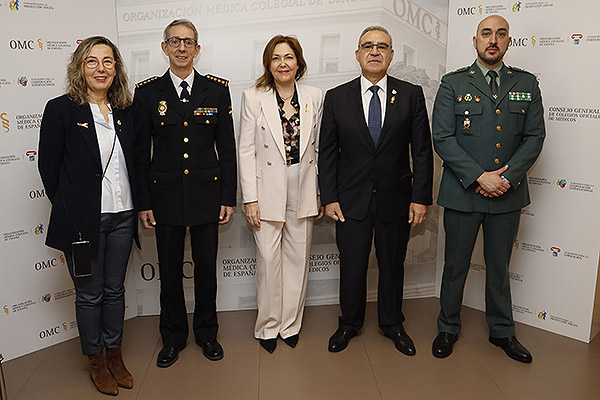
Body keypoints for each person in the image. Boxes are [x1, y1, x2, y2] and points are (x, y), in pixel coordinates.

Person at [431, 15, 545, 363]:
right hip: (463, 192)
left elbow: (534, 136)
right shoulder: (453, 84)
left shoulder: (526, 82)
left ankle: (502, 332)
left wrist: (506, 179)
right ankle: (448, 327)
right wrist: (481, 176)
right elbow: (443, 138)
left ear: (509, 41)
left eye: (500, 34)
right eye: (486, 34)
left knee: (499, 267)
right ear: (475, 41)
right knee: (455, 266)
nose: (492, 40)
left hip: (507, 195)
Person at [319, 26, 433, 355]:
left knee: (392, 265)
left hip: (395, 200)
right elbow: (327, 153)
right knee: (352, 266)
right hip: (349, 201)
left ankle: (392, 323)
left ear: (391, 55)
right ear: (356, 54)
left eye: (382, 46)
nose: (374, 51)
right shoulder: (337, 97)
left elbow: (422, 152)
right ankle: (349, 324)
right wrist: (330, 197)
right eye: (367, 46)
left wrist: (420, 198)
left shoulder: (411, 94)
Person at [133, 19, 236, 368]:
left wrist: (228, 197)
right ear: (164, 47)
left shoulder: (217, 91)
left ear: (197, 49)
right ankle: (173, 337)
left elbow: (227, 149)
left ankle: (208, 334)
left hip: (208, 197)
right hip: (164, 200)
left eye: (188, 42)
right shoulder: (147, 93)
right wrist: (144, 202)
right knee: (170, 273)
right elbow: (138, 154)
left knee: (206, 271)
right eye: (175, 41)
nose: (181, 47)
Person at [38, 36, 138, 396]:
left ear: (117, 68)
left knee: (115, 291)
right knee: (89, 295)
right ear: (80, 68)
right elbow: (49, 170)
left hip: (123, 216)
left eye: (108, 61)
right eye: (92, 61)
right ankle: (96, 361)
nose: (101, 68)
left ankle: (116, 355)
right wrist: (74, 210)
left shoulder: (125, 109)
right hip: (84, 224)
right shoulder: (61, 109)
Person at [238, 35, 324, 354]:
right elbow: (246, 151)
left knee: (297, 260)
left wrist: (319, 193)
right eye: (276, 58)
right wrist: (250, 198)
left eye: (288, 57)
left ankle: (290, 325)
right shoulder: (253, 97)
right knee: (268, 260)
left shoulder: (314, 96)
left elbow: (319, 149)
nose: (283, 64)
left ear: (298, 62)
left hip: (303, 187)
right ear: (268, 64)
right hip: (267, 190)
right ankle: (268, 326)